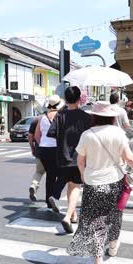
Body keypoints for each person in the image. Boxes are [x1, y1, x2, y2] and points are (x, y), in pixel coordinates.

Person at [67, 101, 133, 263]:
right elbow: (130, 159)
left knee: (96, 222)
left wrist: (84, 176)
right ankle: (112, 245)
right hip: (114, 182)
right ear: (112, 117)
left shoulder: (87, 134)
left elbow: (80, 161)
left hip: (93, 184)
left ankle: (98, 257)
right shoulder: (118, 133)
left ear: (94, 116)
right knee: (115, 216)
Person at [47, 86, 91, 233]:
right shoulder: (86, 117)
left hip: (62, 156)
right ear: (79, 99)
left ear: (65, 99)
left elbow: (52, 134)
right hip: (79, 157)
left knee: (71, 186)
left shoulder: (59, 115)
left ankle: (72, 214)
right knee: (76, 187)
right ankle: (67, 216)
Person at [34, 94, 66, 210]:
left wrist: (43, 144)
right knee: (62, 174)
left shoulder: (42, 117)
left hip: (44, 149)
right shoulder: (61, 116)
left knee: (50, 175)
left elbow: (37, 136)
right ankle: (54, 196)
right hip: (56, 149)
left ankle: (48, 200)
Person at [28, 116, 46, 201]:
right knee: (52, 174)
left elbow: (30, 136)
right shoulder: (57, 117)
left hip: (39, 150)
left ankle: (33, 185)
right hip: (53, 150)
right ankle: (51, 195)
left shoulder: (36, 120)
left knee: (39, 171)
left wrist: (32, 147)